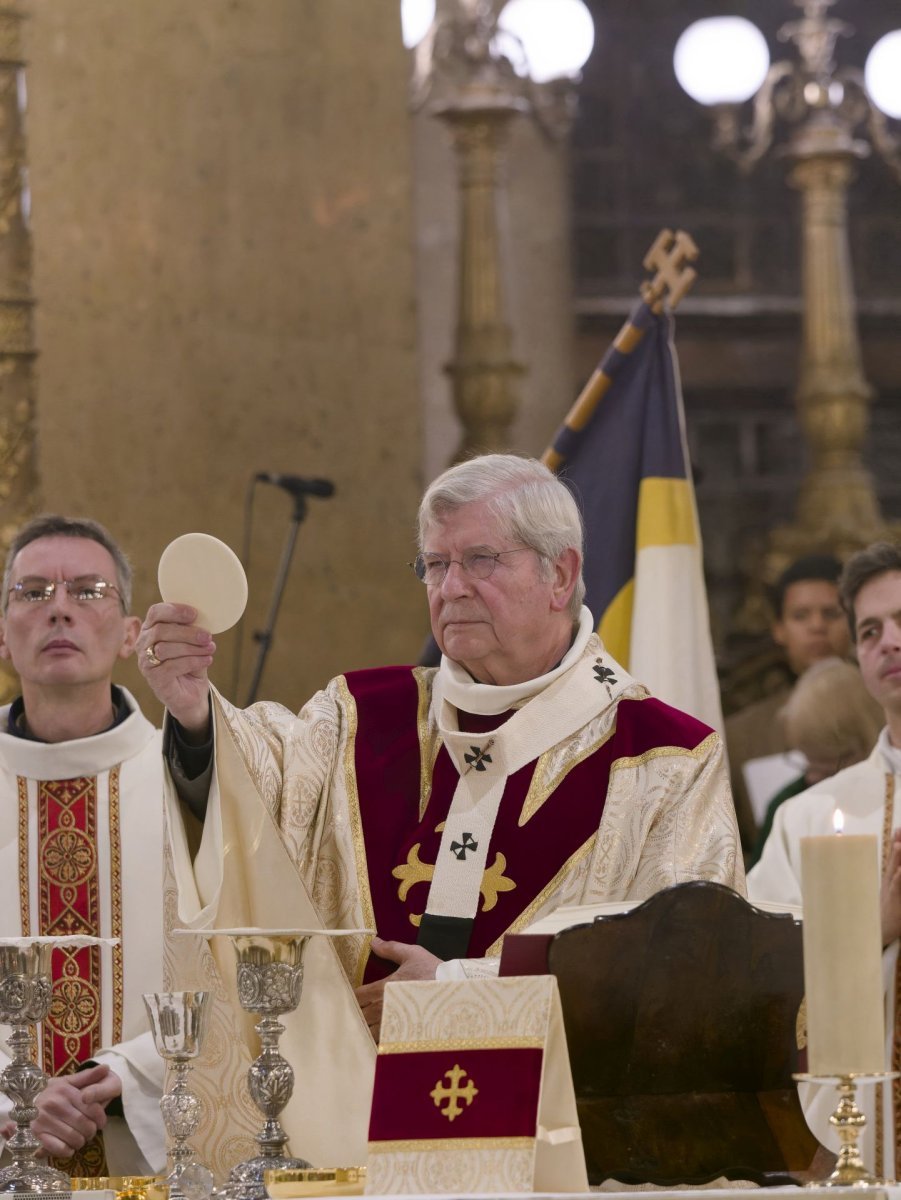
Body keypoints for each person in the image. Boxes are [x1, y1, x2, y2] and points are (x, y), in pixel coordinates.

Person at [138, 453, 744, 1174]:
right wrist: (194, 713)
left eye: (480, 560)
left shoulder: (665, 757)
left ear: (559, 574)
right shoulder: (361, 718)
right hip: (356, 1145)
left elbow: (678, 979)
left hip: (558, 1163)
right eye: (433, 564)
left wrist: (455, 998)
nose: (451, 588)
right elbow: (256, 813)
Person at [0, 515, 165, 1177]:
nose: (59, 609)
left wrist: (131, 1068)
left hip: (154, 1153)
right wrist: (12, 1096)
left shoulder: (197, 779)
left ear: (130, 634)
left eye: (88, 591)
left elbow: (230, 971)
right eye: (33, 592)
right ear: (4, 634)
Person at [748, 541, 901, 1178]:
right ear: (858, 658)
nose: (889, 641)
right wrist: (878, 928)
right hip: (860, 1134)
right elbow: (759, 980)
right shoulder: (808, 819)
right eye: (870, 630)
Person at [725, 554, 850, 851]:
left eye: (831, 613)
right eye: (801, 615)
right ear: (779, 629)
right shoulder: (740, 736)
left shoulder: (885, 715)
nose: (817, 626)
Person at [748, 657, 883, 867]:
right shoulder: (786, 804)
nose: (812, 777)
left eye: (829, 769)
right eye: (808, 762)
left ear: (868, 744)